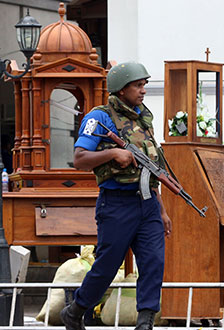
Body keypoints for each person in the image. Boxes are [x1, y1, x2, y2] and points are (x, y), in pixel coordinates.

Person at [60, 62, 172, 330]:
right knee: (107, 266)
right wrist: (113, 153)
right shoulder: (99, 117)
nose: (143, 90)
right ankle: (75, 311)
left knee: (154, 262)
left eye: (144, 85)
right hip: (116, 205)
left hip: (147, 204)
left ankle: (145, 322)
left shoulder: (143, 118)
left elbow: (150, 171)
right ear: (122, 90)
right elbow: (80, 159)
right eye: (138, 85)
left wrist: (162, 209)